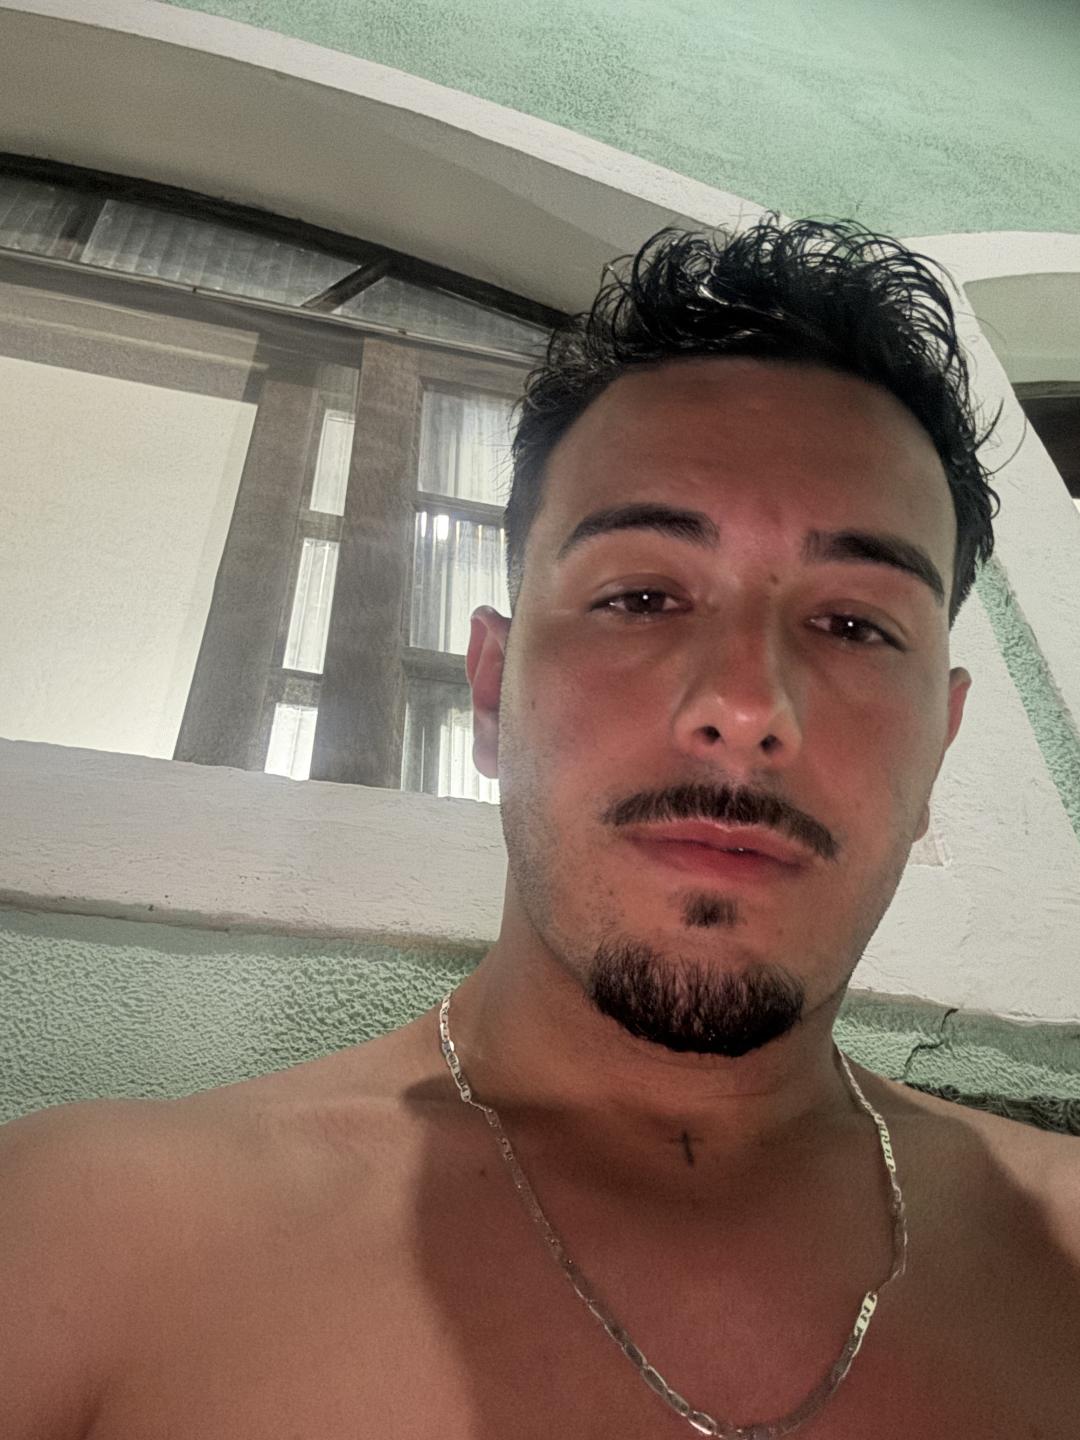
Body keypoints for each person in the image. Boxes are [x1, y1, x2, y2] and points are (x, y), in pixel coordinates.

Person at [3, 218, 1079, 1440]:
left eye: (854, 626)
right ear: (489, 693)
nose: (744, 707)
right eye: (642, 596)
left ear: (938, 745)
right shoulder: (82, 1244)